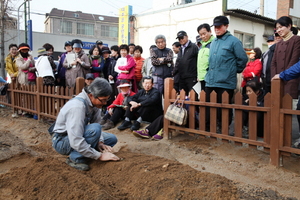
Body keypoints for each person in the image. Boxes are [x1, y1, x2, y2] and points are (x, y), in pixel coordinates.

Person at [51, 77, 120, 171]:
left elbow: (96, 124)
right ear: (91, 95)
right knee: (94, 129)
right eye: (103, 100)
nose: (105, 103)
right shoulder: (77, 107)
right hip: (63, 141)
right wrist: (99, 156)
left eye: (107, 100)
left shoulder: (95, 103)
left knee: (111, 139)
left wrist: (100, 142)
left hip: (76, 135)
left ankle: (87, 153)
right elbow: (75, 140)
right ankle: (75, 158)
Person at [205, 16, 248, 130]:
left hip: (225, 81)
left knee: (224, 108)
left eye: (219, 26)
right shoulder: (213, 42)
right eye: (215, 27)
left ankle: (224, 128)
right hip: (211, 81)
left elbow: (242, 59)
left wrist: (232, 71)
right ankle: (211, 128)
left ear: (226, 26)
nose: (216, 29)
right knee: (210, 107)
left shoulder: (234, 41)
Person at [271, 16, 300, 100]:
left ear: (289, 26)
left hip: (291, 80)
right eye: (277, 28)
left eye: (281, 27)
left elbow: (294, 60)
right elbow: (273, 62)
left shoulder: (297, 40)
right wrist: (274, 77)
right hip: (277, 80)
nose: (279, 30)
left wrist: (285, 75)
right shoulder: (278, 44)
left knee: (288, 106)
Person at [176, 30, 199, 95]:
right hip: (182, 77)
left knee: (193, 95)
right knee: (183, 96)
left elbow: (198, 60)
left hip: (191, 77)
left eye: (182, 38)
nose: (181, 40)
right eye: (179, 38)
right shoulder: (180, 49)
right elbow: (178, 62)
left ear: (187, 37)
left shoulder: (193, 46)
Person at [197, 23, 215, 90]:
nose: (203, 36)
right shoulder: (201, 46)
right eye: (200, 35)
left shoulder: (214, 44)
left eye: (204, 33)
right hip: (202, 78)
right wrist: (199, 76)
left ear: (210, 31)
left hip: (211, 78)